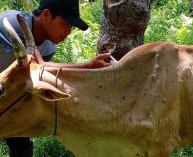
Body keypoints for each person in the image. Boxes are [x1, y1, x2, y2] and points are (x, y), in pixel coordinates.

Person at [0, 0, 113, 156]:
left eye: (71, 27)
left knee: (21, 145)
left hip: (7, 96)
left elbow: (38, 72)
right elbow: (38, 64)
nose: (68, 31)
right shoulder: (14, 20)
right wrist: (89, 66)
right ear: (46, 14)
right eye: (65, 23)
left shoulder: (48, 47)